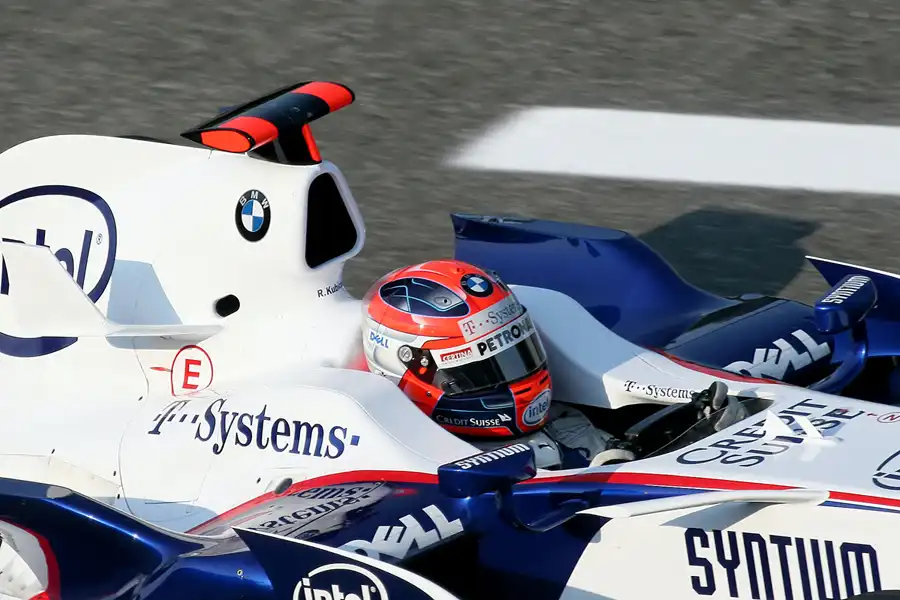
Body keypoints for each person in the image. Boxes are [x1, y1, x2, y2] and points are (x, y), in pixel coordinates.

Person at [359, 259, 635, 469]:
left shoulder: (570, 428)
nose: (517, 382)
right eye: (475, 373)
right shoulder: (403, 459)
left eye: (516, 355)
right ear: (410, 365)